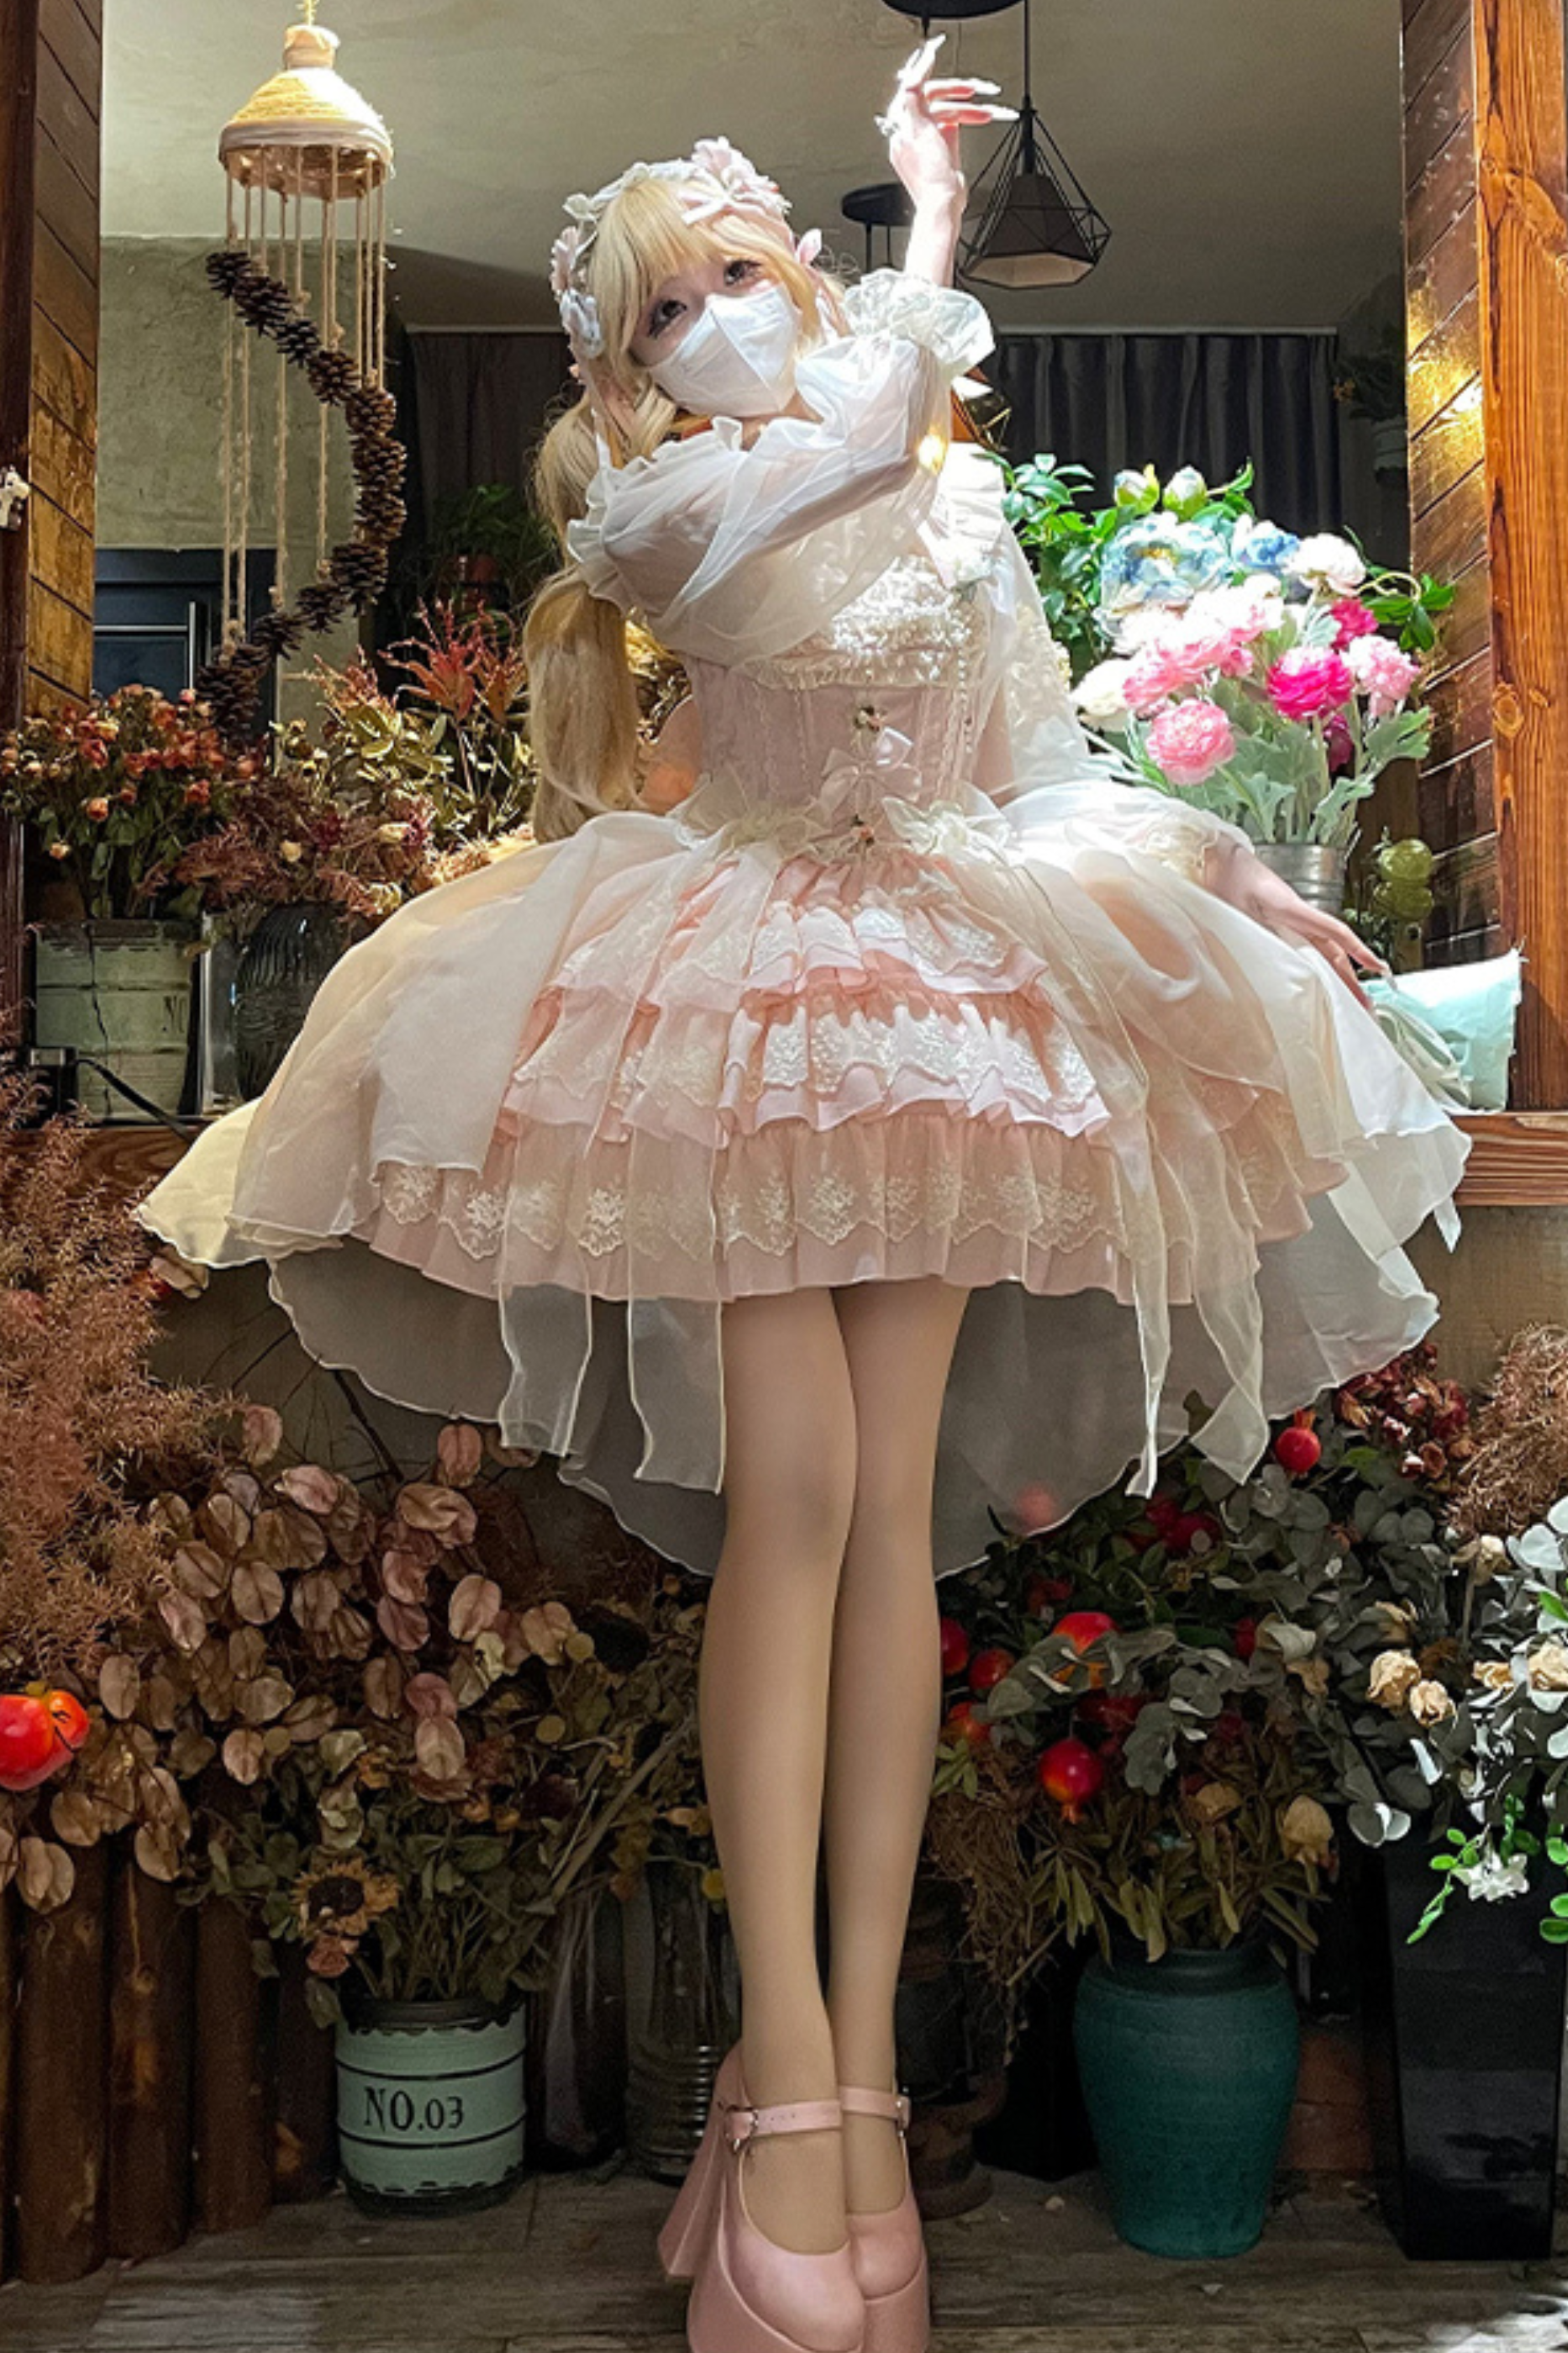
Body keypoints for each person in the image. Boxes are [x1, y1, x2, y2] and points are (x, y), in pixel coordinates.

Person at [139, 39, 1469, 2353]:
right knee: (802, 1502)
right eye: (662, 311)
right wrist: (925, 236)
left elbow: (1043, 765)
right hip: (749, 1000)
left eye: (740, 274)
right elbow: (835, 473)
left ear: (798, 282)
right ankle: (801, 2084)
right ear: (620, 370)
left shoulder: (943, 502)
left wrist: (1252, 887)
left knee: (879, 1533)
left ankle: (829, 2062)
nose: (714, 324)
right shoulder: (656, 513)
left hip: (949, 1001)